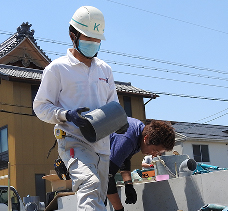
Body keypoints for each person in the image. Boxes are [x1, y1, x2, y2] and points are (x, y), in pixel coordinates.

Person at [33, 6, 119, 211]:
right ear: (73, 35)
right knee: (89, 184)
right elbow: (40, 107)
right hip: (73, 141)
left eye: (97, 39)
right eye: (89, 38)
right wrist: (65, 115)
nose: (94, 43)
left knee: (98, 196)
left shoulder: (104, 69)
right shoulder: (57, 69)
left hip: (102, 145)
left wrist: (119, 122)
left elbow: (113, 104)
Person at [107, 117, 175, 211]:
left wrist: (128, 184)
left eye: (158, 153)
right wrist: (119, 209)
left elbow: (125, 159)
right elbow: (106, 176)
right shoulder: (128, 139)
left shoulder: (140, 133)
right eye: (154, 150)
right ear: (146, 139)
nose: (154, 154)